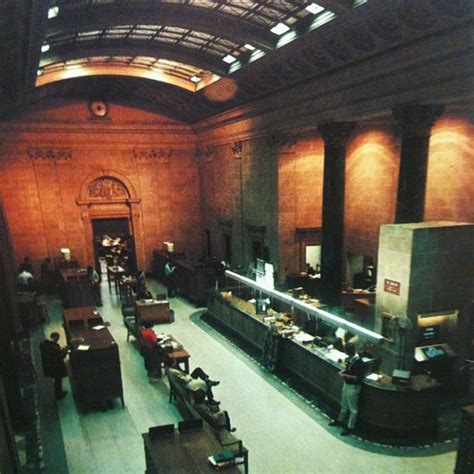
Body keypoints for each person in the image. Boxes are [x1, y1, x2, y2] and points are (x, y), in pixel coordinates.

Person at [329, 343, 366, 435]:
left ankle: (350, 427)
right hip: (347, 384)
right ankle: (340, 420)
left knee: (353, 408)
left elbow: (358, 378)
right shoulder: (350, 359)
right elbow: (349, 369)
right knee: (344, 404)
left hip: (353, 387)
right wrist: (344, 372)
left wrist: (346, 375)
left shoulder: (359, 363)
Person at [40, 332, 69, 399]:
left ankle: (58, 393)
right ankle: (59, 394)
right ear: (56, 337)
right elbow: (60, 356)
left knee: (56, 380)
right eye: (57, 339)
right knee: (58, 380)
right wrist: (65, 350)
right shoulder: (54, 347)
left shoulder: (43, 344)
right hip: (56, 366)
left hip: (48, 365)